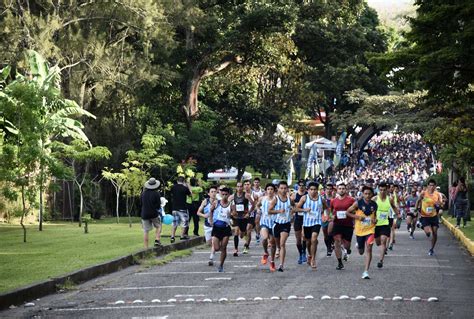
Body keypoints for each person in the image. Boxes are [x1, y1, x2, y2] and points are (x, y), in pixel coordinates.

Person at [346, 186, 377, 279]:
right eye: (366, 193)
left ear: (372, 194)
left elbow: (374, 215)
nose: (367, 195)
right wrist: (358, 217)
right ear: (363, 194)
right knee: (361, 251)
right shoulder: (357, 203)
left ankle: (366, 271)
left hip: (370, 229)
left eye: (369, 194)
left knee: (369, 248)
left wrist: (375, 220)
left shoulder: (374, 204)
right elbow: (347, 212)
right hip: (359, 230)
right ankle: (359, 245)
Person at [295, 182, 326, 269]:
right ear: (308, 190)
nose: (313, 191)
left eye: (315, 189)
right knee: (308, 242)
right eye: (311, 189)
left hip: (317, 222)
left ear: (317, 190)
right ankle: (309, 254)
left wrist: (326, 216)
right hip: (307, 223)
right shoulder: (304, 198)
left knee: (314, 238)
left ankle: (313, 259)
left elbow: (327, 208)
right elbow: (296, 209)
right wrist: (304, 210)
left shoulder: (321, 199)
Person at [268, 181, 294, 272]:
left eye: (285, 188)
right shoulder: (275, 199)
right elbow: (269, 211)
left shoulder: (289, 199)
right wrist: (278, 211)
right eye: (281, 188)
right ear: (278, 189)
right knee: (276, 244)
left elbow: (294, 207)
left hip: (286, 224)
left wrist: (292, 212)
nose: (283, 190)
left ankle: (281, 265)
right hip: (276, 224)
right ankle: (275, 256)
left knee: (282, 243)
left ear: (287, 189)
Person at [330, 181, 355, 270]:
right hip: (337, 224)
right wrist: (331, 216)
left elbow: (356, 210)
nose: (341, 190)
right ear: (337, 190)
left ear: (346, 190)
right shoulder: (333, 201)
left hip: (348, 225)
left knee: (347, 245)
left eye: (343, 189)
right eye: (340, 189)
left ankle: (347, 250)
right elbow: (331, 211)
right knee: (337, 241)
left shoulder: (351, 200)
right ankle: (340, 262)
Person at [373, 182, 399, 268]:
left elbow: (394, 207)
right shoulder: (375, 198)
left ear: (387, 190)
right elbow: (368, 206)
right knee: (378, 242)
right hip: (376, 224)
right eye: (380, 190)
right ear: (378, 189)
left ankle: (381, 261)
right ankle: (382, 248)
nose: (382, 191)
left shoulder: (390, 199)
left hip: (385, 223)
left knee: (383, 240)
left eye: (384, 190)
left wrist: (397, 214)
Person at [416, 179, 443, 255]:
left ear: (435, 186)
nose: (431, 187)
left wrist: (438, 205)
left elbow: (441, 204)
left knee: (435, 233)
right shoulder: (423, 193)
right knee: (428, 233)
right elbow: (418, 201)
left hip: (434, 216)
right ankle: (423, 226)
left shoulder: (438, 194)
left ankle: (432, 249)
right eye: (430, 185)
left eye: (433, 185)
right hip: (425, 216)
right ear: (428, 186)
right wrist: (416, 209)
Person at [209, 187, 233, 272]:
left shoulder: (231, 204)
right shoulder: (216, 203)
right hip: (216, 227)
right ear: (220, 194)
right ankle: (219, 260)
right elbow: (211, 211)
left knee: (223, 247)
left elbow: (234, 214)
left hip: (226, 228)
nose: (224, 196)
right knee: (216, 248)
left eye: (226, 194)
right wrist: (211, 220)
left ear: (228, 195)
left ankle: (221, 265)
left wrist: (231, 214)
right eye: (223, 194)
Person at [256, 183, 277, 271]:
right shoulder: (262, 199)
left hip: (274, 223)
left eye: (271, 189)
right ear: (266, 190)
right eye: (268, 189)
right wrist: (258, 210)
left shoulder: (277, 200)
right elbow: (257, 205)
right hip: (264, 222)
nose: (270, 191)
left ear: (274, 191)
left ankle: (272, 261)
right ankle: (265, 252)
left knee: (273, 243)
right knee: (264, 238)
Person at [197, 186, 218, 266]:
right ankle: (215, 248)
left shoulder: (218, 202)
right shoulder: (205, 201)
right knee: (209, 242)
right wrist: (204, 215)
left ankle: (211, 258)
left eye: (215, 192)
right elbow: (198, 212)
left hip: (215, 225)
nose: (213, 193)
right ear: (209, 193)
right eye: (211, 192)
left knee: (213, 242)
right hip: (207, 225)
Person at [231, 181, 252, 256]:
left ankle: (246, 243)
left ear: (242, 187)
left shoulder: (246, 195)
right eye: (238, 186)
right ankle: (235, 250)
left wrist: (248, 213)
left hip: (244, 217)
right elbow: (228, 203)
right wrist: (232, 211)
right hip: (236, 217)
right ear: (236, 187)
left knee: (242, 234)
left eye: (240, 186)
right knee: (236, 231)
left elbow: (253, 204)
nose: (239, 188)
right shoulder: (233, 196)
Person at [140, 178, 162, 249]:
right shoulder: (156, 193)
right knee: (158, 226)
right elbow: (158, 205)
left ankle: (146, 248)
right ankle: (157, 240)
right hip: (153, 213)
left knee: (146, 231)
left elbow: (141, 203)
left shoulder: (143, 193)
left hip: (144, 213)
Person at [291, 179, 308, 264]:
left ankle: (304, 252)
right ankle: (300, 254)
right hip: (297, 218)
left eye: (303, 185)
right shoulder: (294, 196)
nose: (301, 187)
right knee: (298, 239)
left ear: (305, 186)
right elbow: (290, 207)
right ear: (298, 186)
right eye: (300, 185)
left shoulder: (307, 195)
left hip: (306, 218)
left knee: (304, 236)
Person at [170, 176, 192, 242]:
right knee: (185, 222)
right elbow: (190, 195)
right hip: (182, 208)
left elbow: (171, 194)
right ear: (183, 181)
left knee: (174, 223)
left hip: (174, 208)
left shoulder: (173, 187)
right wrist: (188, 186)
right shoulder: (184, 188)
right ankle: (182, 236)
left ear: (177, 181)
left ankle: (172, 236)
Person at [252, 178, 265, 243]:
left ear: (259, 183)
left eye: (257, 182)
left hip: (259, 208)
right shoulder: (251, 191)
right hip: (251, 208)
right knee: (253, 223)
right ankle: (257, 231)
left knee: (257, 221)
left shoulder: (262, 191)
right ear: (253, 183)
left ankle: (257, 234)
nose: (256, 183)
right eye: (255, 182)